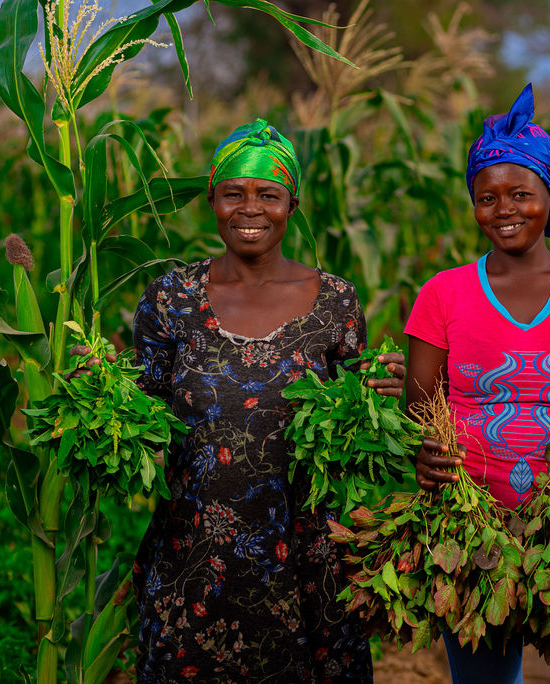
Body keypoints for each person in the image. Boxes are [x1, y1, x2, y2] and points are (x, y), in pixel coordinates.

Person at [131, 118, 404, 683]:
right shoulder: (171, 299)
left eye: (268, 195)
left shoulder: (335, 302)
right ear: (212, 200)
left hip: (307, 557)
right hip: (195, 553)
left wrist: (382, 389)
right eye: (233, 193)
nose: (249, 208)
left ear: (292, 204)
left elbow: (353, 420)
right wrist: (98, 394)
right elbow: (143, 409)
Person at [403, 84, 550, 684]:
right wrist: (424, 449)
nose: (504, 209)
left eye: (520, 194)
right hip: (472, 528)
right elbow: (417, 407)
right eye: (487, 198)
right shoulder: (443, 294)